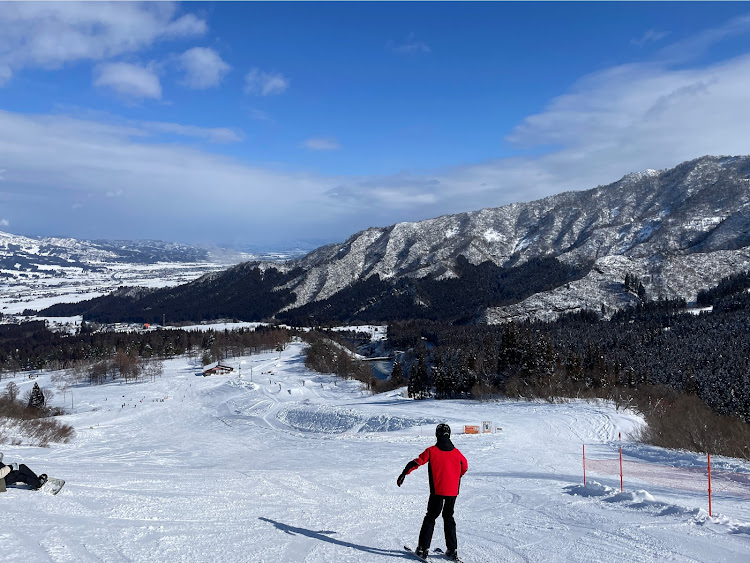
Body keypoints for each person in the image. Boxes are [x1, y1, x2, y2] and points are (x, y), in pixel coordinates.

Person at [397, 423, 468, 561]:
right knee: (449, 518)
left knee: (430, 517)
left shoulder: (432, 450)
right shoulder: (457, 453)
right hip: (453, 492)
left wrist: (404, 473)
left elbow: (417, 462)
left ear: (437, 435)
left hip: (438, 491)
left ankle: (423, 549)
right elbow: (464, 466)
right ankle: (452, 551)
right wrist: (454, 477)